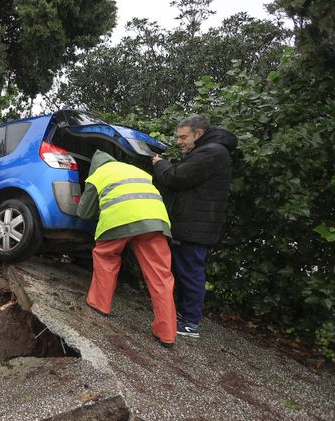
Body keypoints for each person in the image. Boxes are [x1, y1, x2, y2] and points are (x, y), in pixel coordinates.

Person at [78, 150, 177, 348]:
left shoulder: (98, 175)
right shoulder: (138, 171)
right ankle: (167, 334)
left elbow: (84, 212)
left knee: (106, 257)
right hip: (155, 221)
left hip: (119, 219)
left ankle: (100, 304)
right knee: (161, 276)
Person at [152, 115, 237, 338]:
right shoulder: (208, 151)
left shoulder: (211, 152)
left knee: (190, 273)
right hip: (192, 225)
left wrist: (160, 164)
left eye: (183, 137)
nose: (179, 141)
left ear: (198, 134)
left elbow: (177, 178)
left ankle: (190, 322)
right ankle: (183, 316)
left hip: (195, 227)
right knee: (185, 271)